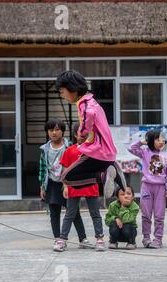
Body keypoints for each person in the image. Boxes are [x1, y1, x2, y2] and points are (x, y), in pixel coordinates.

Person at [56, 70, 126, 201]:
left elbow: (89, 114)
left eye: (62, 91)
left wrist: (82, 133)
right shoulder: (92, 101)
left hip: (97, 152)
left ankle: (105, 174)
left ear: (72, 88)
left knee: (66, 177)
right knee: (73, 177)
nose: (62, 95)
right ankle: (109, 170)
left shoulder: (85, 104)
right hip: (106, 154)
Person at [54, 123, 105, 252]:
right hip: (73, 186)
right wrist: (65, 186)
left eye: (85, 133)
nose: (82, 136)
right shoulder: (69, 150)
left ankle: (99, 239)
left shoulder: (95, 150)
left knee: (95, 213)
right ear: (75, 134)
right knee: (70, 214)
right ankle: (62, 239)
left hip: (91, 185)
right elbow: (65, 171)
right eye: (80, 133)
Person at [38, 119, 87, 251]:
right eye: (51, 130)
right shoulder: (44, 149)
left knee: (74, 212)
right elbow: (43, 168)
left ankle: (83, 239)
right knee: (54, 212)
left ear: (63, 132)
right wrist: (42, 186)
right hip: (52, 183)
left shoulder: (70, 146)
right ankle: (58, 239)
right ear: (47, 132)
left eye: (57, 129)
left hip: (68, 183)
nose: (54, 132)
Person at [128, 129, 167, 249]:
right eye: (158, 139)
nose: (161, 142)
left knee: (159, 215)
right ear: (151, 141)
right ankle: (146, 238)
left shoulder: (166, 156)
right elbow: (131, 148)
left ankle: (158, 239)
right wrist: (142, 142)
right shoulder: (145, 152)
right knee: (146, 214)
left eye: (163, 139)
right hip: (147, 187)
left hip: (160, 189)